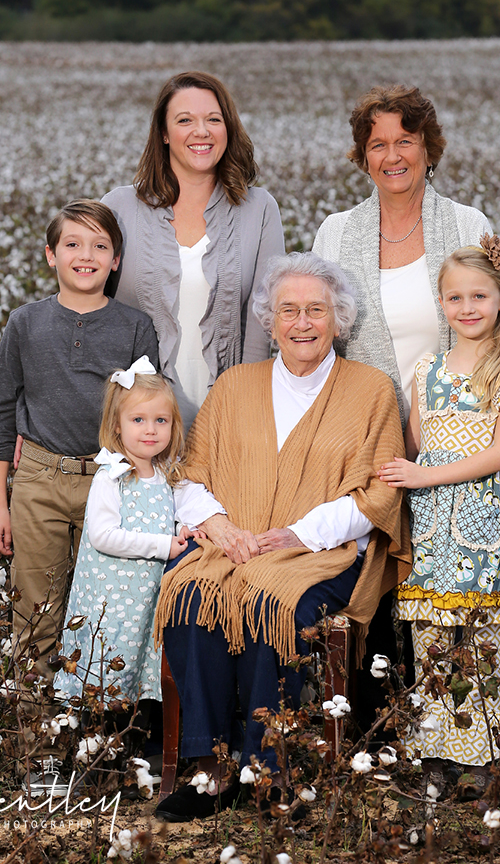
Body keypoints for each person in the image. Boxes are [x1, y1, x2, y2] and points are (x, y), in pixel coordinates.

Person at [152, 252, 411, 823]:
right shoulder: (234, 385)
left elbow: (377, 495)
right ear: (269, 320)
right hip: (231, 542)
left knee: (277, 602)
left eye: (316, 310)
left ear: (338, 320)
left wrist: (295, 534)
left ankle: (267, 769)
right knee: (191, 595)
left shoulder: (370, 391)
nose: (302, 322)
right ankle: (209, 768)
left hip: (324, 552)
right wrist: (221, 528)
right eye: (288, 310)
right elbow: (192, 475)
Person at [312, 83, 500, 719]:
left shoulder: (467, 224)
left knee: (454, 584)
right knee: (378, 577)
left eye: (405, 141)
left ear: (428, 148)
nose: (392, 155)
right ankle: (384, 723)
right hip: (372, 430)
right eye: (377, 144)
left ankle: (462, 725)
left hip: (460, 435)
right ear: (362, 156)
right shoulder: (337, 232)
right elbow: (325, 333)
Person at [0, 199, 159, 797]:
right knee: (37, 617)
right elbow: (2, 412)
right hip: (37, 481)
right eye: (74, 245)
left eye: (100, 247)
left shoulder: (134, 327)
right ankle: (39, 751)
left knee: (107, 621)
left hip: (111, 483)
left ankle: (102, 750)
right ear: (51, 254)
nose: (86, 256)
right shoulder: (25, 322)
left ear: (115, 262)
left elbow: (146, 415)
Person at [378, 235, 500, 798]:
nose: (467, 308)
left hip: (482, 516)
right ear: (441, 305)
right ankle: (436, 757)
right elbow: (417, 440)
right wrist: (406, 472)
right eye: (455, 298)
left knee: (483, 641)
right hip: (432, 522)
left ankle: (484, 757)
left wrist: (424, 475)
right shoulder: (427, 368)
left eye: (479, 296)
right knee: (432, 641)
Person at [103, 70, 285, 431]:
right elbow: (85, 310)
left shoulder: (260, 209)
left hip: (227, 419)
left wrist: (242, 412)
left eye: (213, 120)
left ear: (228, 129)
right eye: (185, 120)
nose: (201, 132)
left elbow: (262, 322)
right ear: (165, 134)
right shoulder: (119, 207)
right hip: (137, 426)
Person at [56, 357, 196, 794]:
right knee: (103, 676)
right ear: (117, 427)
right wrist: (162, 545)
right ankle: (86, 767)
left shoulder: (166, 478)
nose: (150, 430)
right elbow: (102, 535)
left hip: (143, 605)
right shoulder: (111, 476)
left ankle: (124, 766)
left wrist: (180, 531)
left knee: (133, 676)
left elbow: (162, 524)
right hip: (107, 602)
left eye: (161, 420)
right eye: (138, 419)